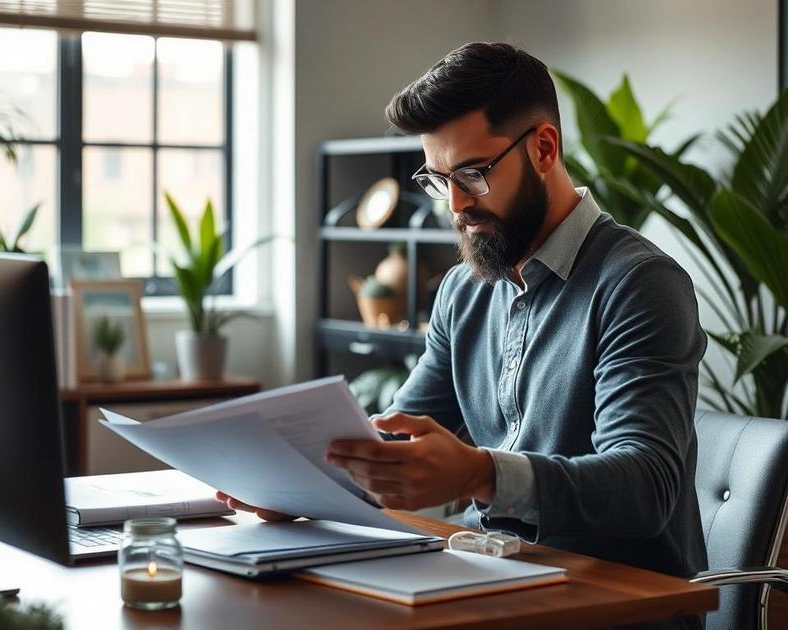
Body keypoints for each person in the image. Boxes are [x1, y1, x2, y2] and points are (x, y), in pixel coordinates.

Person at [218, 42, 707, 627]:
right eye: (437, 178)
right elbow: (395, 439)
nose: (455, 205)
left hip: (617, 606)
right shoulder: (464, 289)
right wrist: (295, 484)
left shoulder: (640, 284)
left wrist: (482, 473)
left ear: (544, 148)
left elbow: (646, 487)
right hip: (491, 584)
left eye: (473, 174)